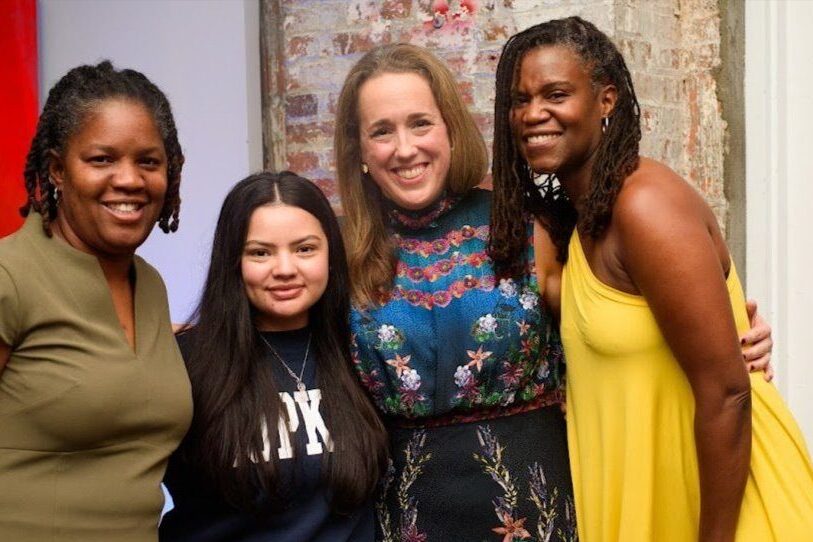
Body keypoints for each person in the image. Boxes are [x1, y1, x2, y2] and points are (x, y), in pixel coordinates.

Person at [490, 16, 813, 541]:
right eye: (519, 100)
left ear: (607, 100)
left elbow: (728, 393)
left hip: (723, 513)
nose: (533, 114)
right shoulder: (582, 217)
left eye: (555, 94)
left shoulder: (645, 205)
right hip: (649, 496)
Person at [0, 61, 192, 541]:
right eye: (102, 159)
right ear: (56, 170)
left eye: (148, 161)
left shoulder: (149, 285)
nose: (128, 180)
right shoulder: (9, 276)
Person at [159, 171, 388, 542]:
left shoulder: (365, 353)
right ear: (233, 261)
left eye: (305, 249)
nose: (284, 269)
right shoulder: (184, 363)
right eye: (260, 252)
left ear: (331, 254)